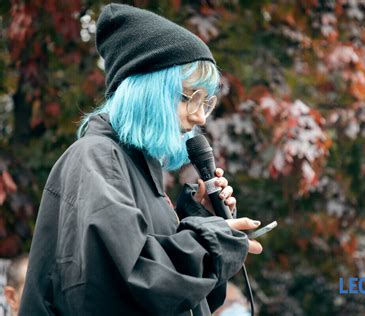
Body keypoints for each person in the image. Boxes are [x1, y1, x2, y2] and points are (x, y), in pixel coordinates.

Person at [19, 3, 262, 315]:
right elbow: (131, 278)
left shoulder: (136, 170)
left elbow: (178, 298)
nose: (200, 117)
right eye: (193, 98)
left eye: (208, 102)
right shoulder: (95, 158)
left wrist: (200, 217)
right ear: (150, 91)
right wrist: (210, 243)